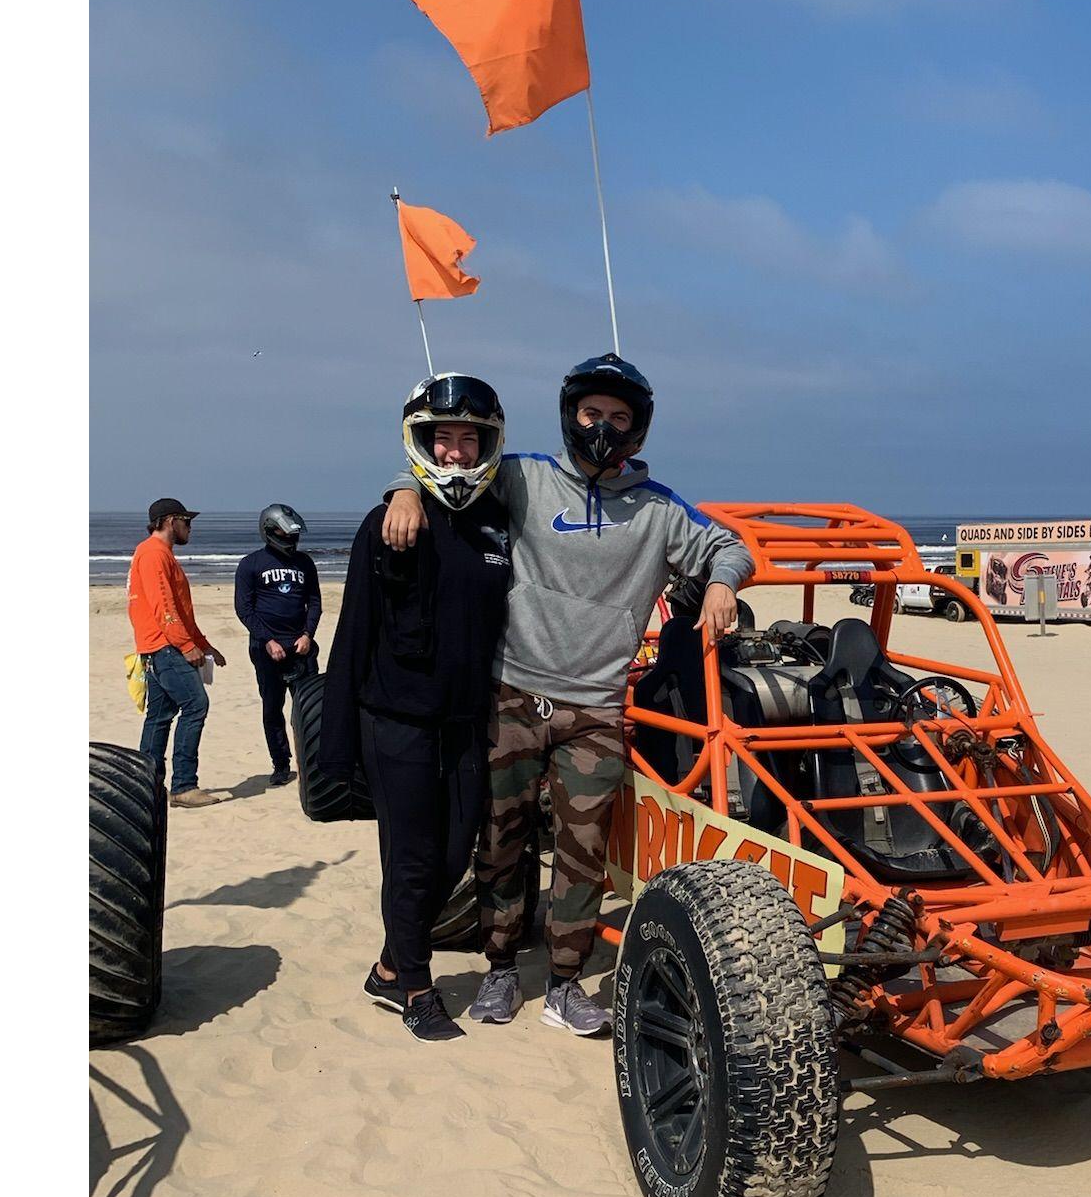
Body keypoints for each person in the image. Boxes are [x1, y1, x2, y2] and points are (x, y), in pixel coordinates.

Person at [382, 352, 752, 1037]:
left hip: (595, 707)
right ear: (569, 415)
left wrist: (725, 582)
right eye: (591, 414)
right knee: (499, 843)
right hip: (511, 693)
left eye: (618, 417)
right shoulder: (523, 477)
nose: (602, 427)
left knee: (582, 853)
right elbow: (451, 471)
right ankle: (499, 969)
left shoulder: (657, 509)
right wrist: (402, 490)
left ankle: (563, 983)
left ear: (637, 428)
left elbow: (728, 545)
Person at [321, 377, 513, 1043]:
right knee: (410, 858)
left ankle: (387, 963)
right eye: (444, 438)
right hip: (394, 723)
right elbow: (350, 637)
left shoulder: (497, 525)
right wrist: (334, 752)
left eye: (469, 439)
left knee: (455, 855)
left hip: (464, 721)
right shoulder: (388, 525)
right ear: (421, 441)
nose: (456, 453)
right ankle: (417, 986)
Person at [129, 497, 230, 807]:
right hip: (165, 647)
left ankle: (146, 786)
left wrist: (204, 644)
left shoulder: (160, 555)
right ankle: (183, 785)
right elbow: (165, 609)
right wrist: (186, 647)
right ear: (171, 520)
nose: (190, 527)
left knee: (159, 716)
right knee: (196, 705)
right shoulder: (153, 554)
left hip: (161, 646)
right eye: (187, 521)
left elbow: (182, 613)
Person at [234, 504, 323, 787]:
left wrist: (308, 634)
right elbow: (244, 609)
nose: (291, 542)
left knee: (309, 709)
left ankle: (313, 762)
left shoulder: (305, 563)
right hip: (267, 650)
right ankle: (281, 765)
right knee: (273, 709)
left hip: (301, 648)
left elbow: (315, 603)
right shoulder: (250, 565)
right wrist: (268, 640)